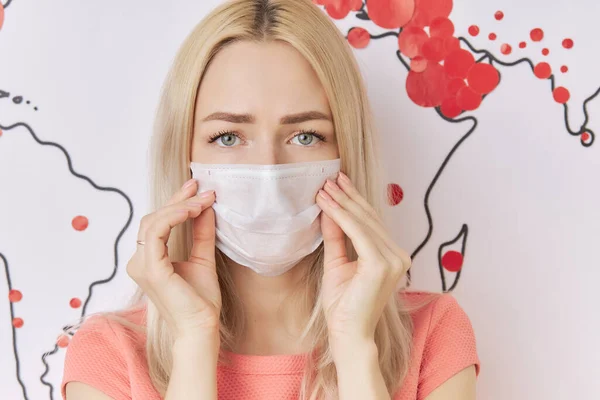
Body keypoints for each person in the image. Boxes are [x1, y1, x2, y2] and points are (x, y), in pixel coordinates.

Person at [62, 0, 479, 399]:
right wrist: (192, 340)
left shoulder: (432, 333)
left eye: (306, 136)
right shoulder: (111, 353)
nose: (269, 171)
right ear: (184, 157)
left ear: (348, 152)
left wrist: (355, 347)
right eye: (227, 137)